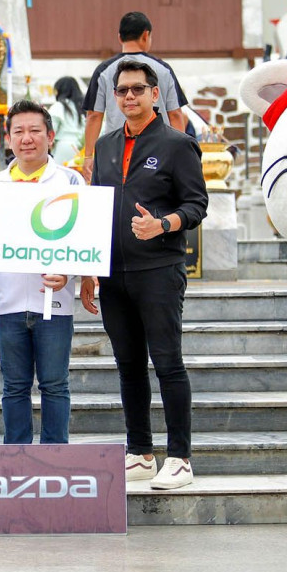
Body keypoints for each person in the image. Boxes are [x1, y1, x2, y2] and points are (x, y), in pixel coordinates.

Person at [80, 60, 208, 490]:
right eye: (122, 91)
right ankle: (140, 453)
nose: (129, 96)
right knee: (128, 366)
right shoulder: (106, 145)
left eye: (138, 89)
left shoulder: (177, 144)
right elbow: (97, 208)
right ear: (114, 97)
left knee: (168, 363)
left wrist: (163, 224)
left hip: (158, 270)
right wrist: (89, 270)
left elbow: (196, 205)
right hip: (113, 274)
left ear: (155, 94)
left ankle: (180, 458)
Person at [0, 100, 84, 444]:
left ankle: (55, 456)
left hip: (54, 300)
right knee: (14, 386)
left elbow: (84, 236)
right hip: (9, 298)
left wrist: (69, 272)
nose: (27, 138)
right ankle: (16, 458)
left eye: (35, 131)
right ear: (9, 139)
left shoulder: (69, 180)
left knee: (55, 384)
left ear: (50, 136)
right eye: (19, 132)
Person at [82, 12, 188, 182]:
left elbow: (94, 116)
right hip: (160, 150)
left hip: (116, 151)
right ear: (146, 35)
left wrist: (88, 156)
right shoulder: (163, 69)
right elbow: (175, 114)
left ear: (119, 38)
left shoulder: (103, 70)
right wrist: (181, 151)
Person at [48, 76, 85, 164]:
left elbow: (51, 129)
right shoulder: (81, 108)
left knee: (60, 172)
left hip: (63, 146)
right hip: (79, 147)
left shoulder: (58, 106)